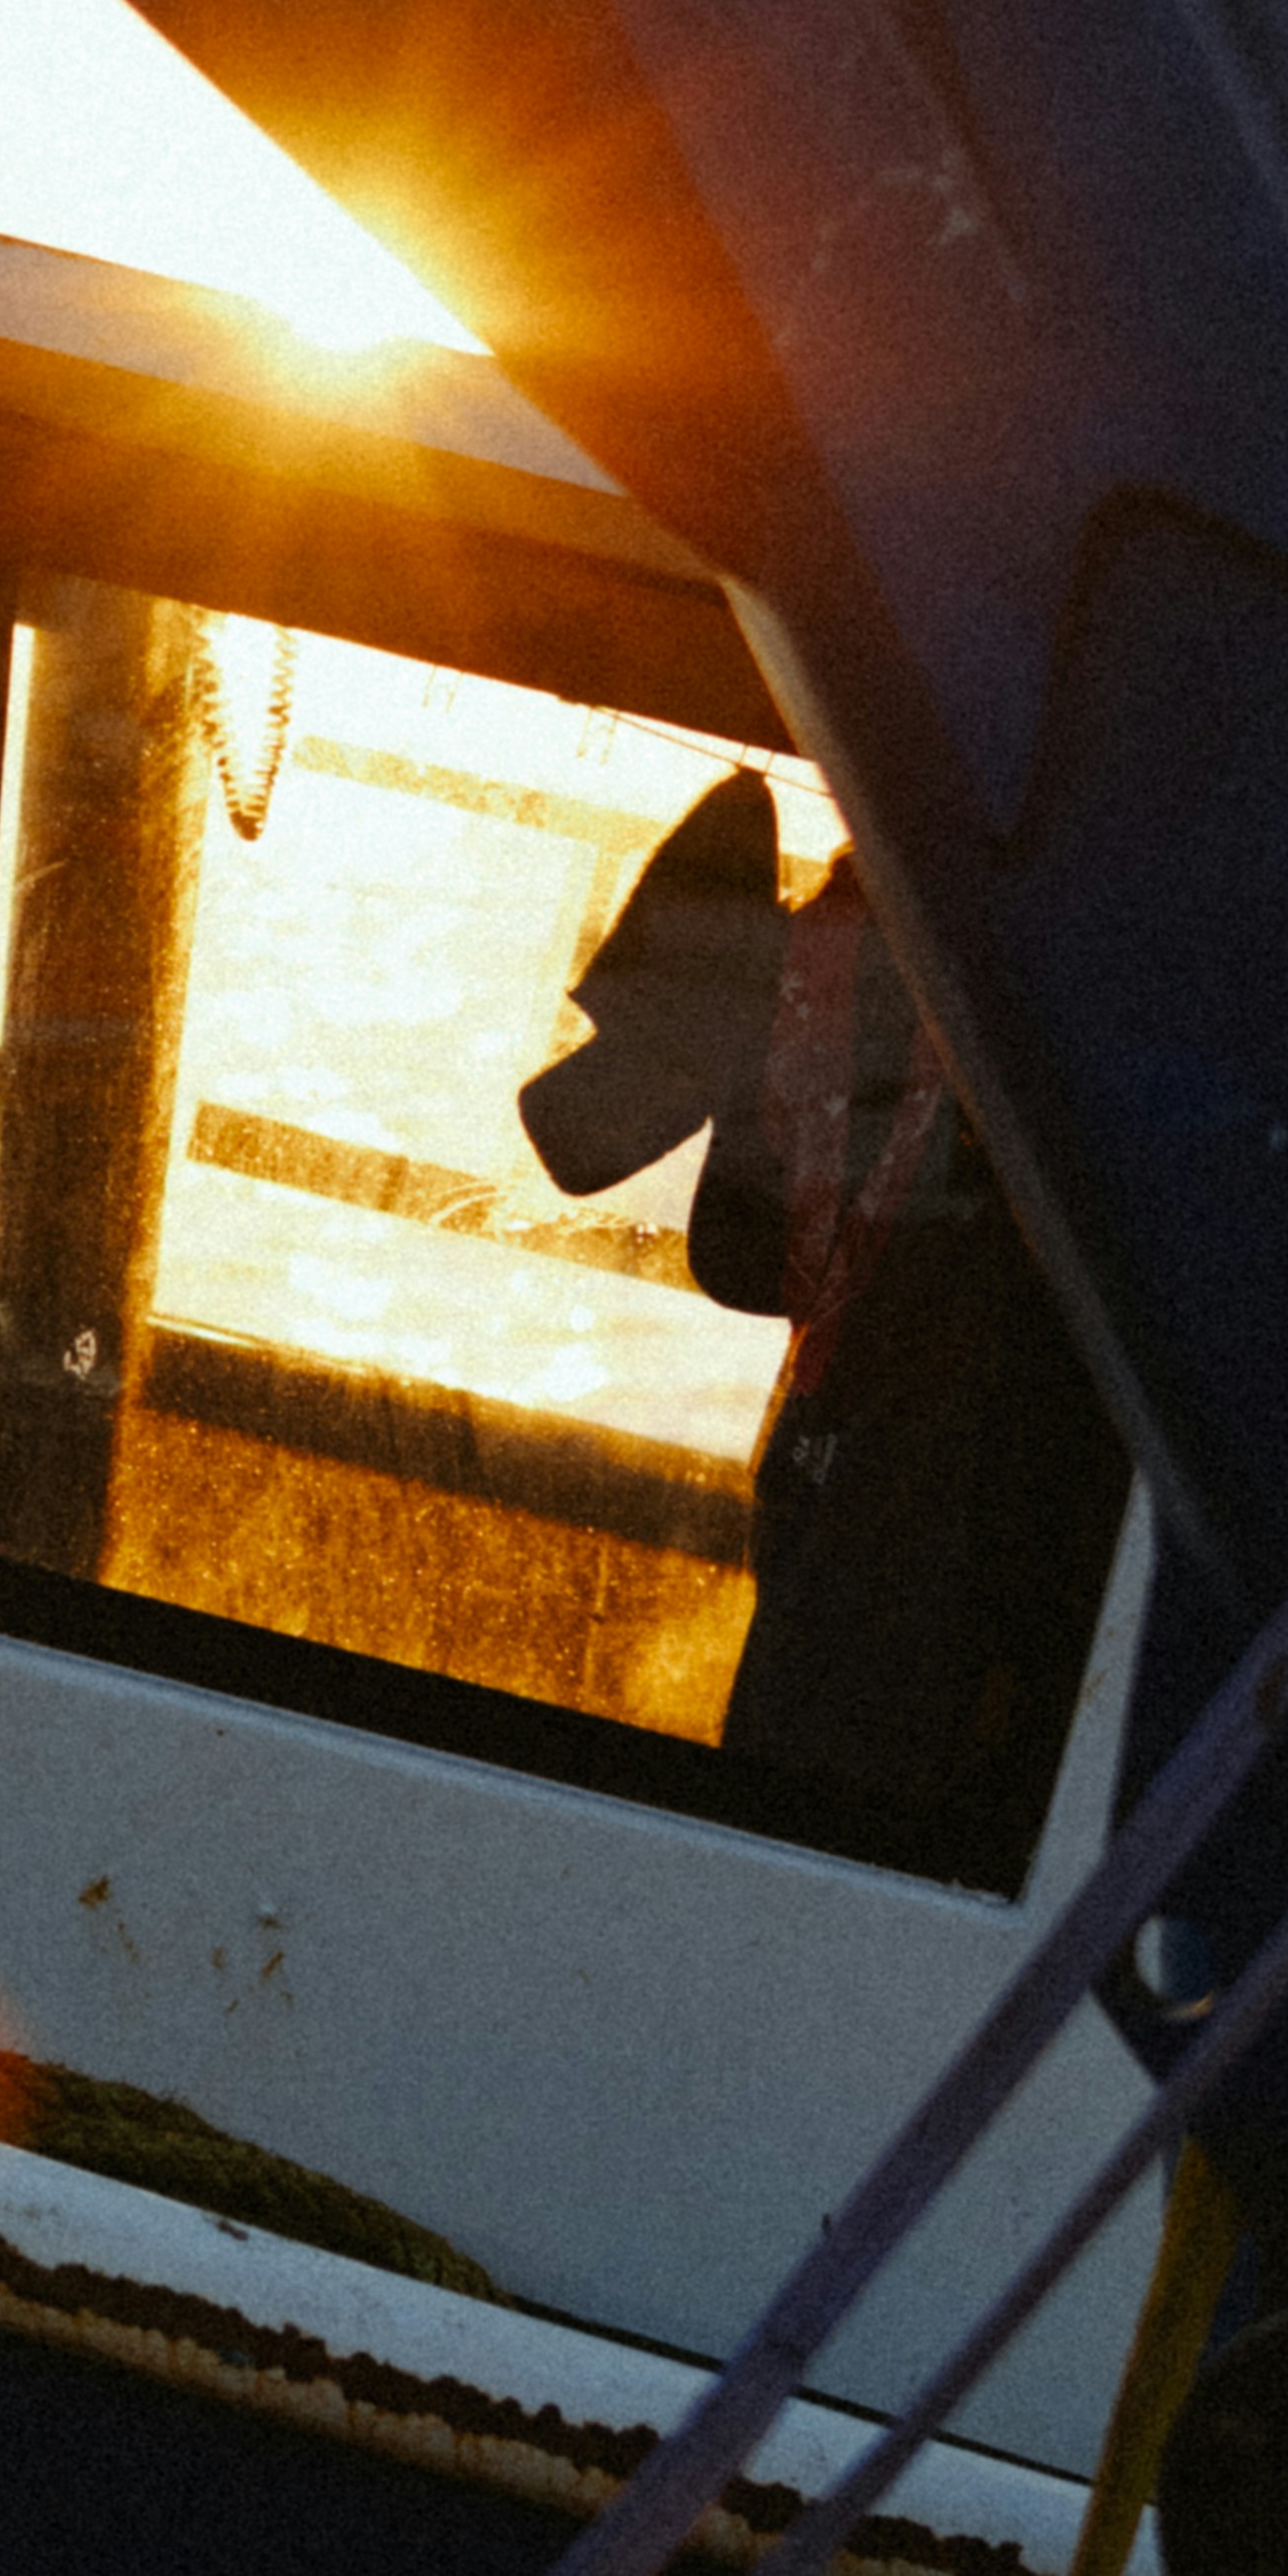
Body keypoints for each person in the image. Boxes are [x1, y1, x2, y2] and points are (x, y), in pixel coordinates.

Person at [521, 769, 1128, 1888]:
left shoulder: (917, 980)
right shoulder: (986, 986)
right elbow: (584, 1130)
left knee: (814, 1801)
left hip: (896, 1487)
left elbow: (585, 1131)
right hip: (877, 1477)